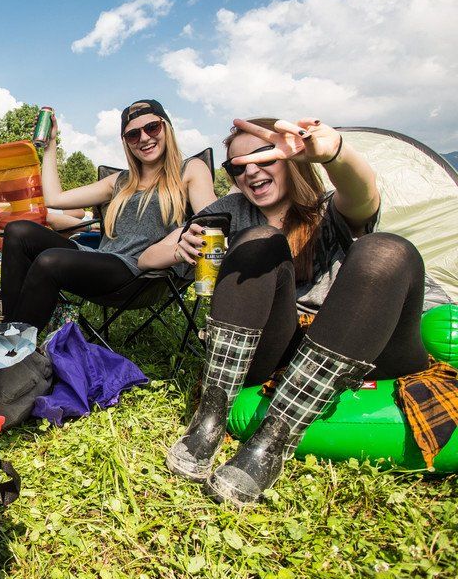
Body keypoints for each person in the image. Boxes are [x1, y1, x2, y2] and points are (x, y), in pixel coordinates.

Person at [149, 117, 430, 506]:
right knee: (259, 240)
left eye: (264, 157)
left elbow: (363, 195)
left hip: (357, 343)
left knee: (388, 250)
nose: (251, 172)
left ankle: (273, 442)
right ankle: (208, 421)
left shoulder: (327, 206)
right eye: (238, 167)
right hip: (277, 347)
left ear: (290, 159)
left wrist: (335, 153)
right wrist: (177, 248)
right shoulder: (231, 211)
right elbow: (148, 256)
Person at [1, 99, 217, 330]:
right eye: (133, 134)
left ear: (167, 128)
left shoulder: (190, 169)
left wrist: (180, 235)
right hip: (103, 261)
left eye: (152, 127)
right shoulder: (120, 181)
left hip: (143, 275)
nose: (144, 138)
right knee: (18, 230)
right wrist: (50, 144)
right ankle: (7, 330)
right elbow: (54, 199)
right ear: (126, 142)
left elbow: (212, 220)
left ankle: (15, 342)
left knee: (49, 260)